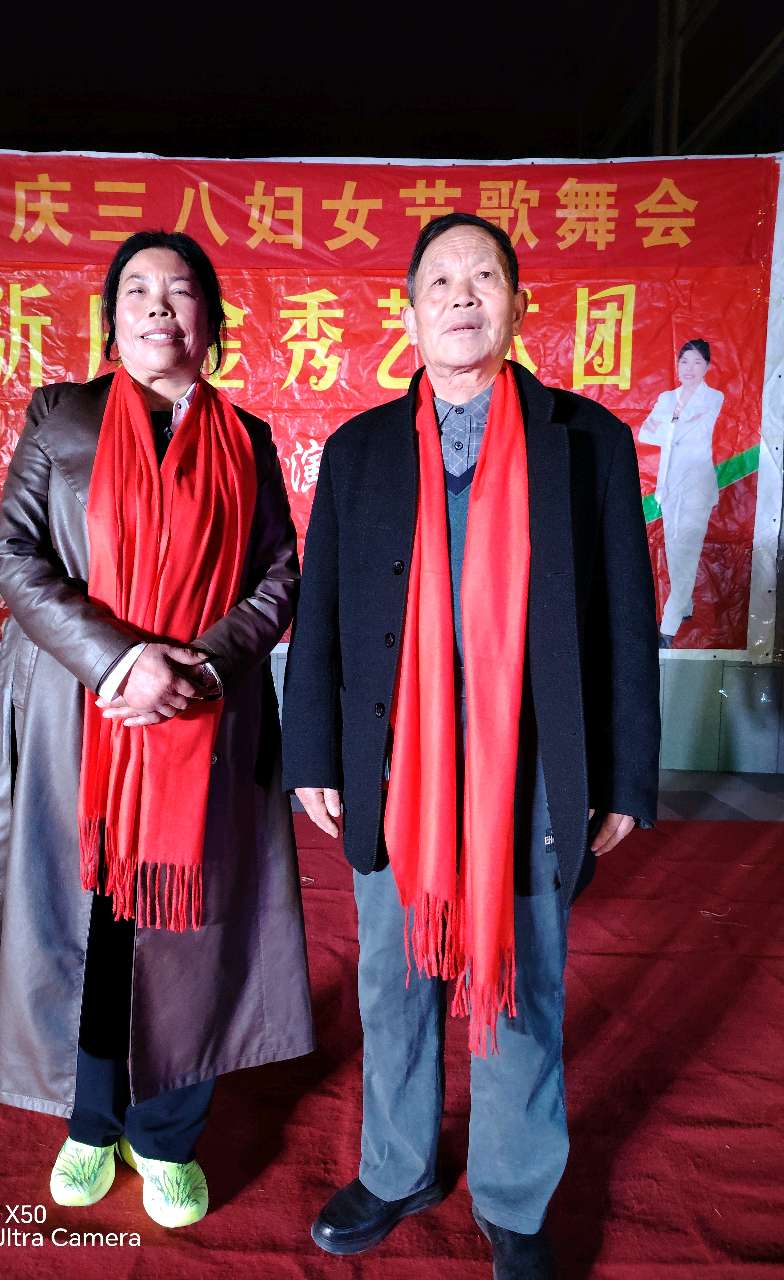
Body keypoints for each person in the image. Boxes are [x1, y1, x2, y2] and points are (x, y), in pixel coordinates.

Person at [282, 212, 660, 1278]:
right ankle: (398, 1167)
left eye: (484, 277)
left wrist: (626, 773)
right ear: (408, 315)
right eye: (439, 280)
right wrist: (313, 755)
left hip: (531, 764)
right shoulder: (359, 450)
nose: (461, 295)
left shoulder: (585, 441)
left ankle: (513, 1195)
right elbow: (322, 614)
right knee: (393, 975)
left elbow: (625, 620)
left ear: (517, 305)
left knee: (524, 977)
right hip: (393, 759)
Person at [0, 230, 313, 1228]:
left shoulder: (247, 439)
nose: (160, 305)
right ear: (112, 320)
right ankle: (91, 1118)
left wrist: (202, 664)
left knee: (190, 929)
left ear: (210, 320)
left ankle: (167, 1133)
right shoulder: (61, 416)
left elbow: (279, 574)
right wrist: (120, 660)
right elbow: (16, 554)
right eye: (138, 290)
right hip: (84, 714)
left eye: (181, 291)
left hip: (204, 719)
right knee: (94, 924)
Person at [638, 338, 723, 646]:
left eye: (697, 362)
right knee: (675, 551)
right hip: (669, 485)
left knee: (686, 552)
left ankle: (668, 628)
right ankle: (685, 606)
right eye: (684, 361)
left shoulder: (713, 397)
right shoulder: (667, 397)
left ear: (707, 366)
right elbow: (646, 431)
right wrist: (672, 424)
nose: (690, 368)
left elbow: (682, 430)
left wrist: (670, 423)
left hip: (696, 487)